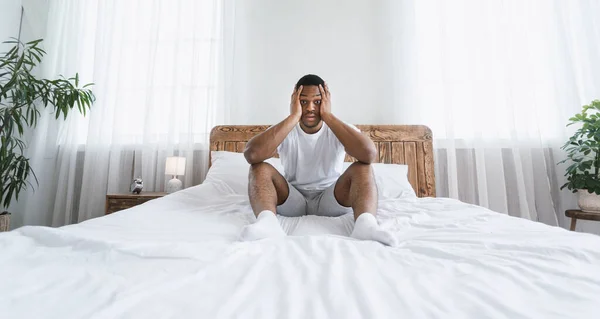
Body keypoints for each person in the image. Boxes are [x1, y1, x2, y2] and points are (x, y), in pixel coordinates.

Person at [240, 74, 396, 246]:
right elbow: (252, 155)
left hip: (330, 199)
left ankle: (366, 225)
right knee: (259, 167)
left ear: (326, 102)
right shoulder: (285, 128)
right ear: (295, 102)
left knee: (363, 167)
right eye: (304, 101)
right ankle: (267, 224)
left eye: (317, 101)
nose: (310, 108)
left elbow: (369, 154)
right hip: (293, 200)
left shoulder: (338, 128)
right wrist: (294, 117)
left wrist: (327, 116)